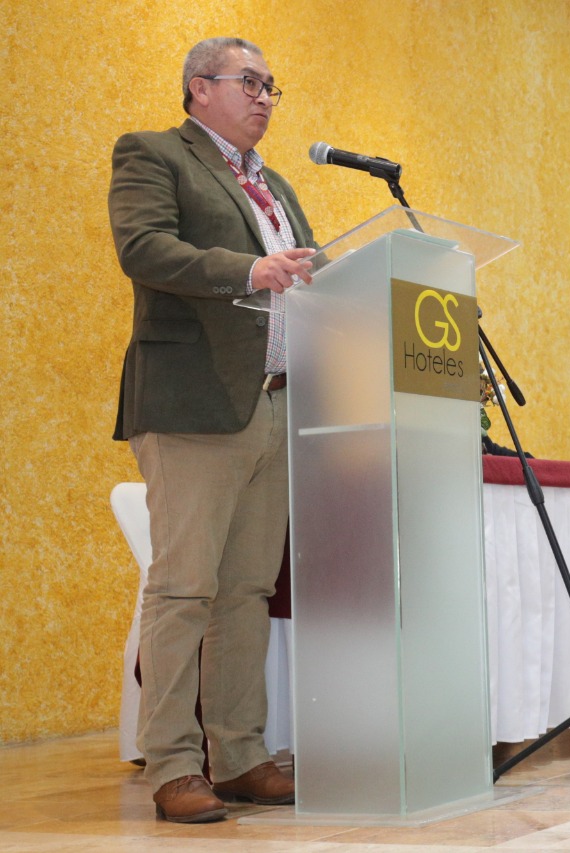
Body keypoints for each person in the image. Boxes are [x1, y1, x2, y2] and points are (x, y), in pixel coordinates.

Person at [108, 37, 318, 823]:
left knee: (245, 591)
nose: (265, 96)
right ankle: (171, 761)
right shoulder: (154, 154)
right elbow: (144, 247)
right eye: (251, 82)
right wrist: (249, 269)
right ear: (201, 88)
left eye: (272, 85)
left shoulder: (278, 184)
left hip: (275, 401)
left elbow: (307, 272)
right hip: (194, 402)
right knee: (184, 587)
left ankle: (238, 754)